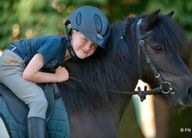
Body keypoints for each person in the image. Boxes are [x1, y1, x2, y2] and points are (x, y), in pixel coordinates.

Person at [0, 5, 110, 138]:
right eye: (85, 39)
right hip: (10, 64)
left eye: (94, 45)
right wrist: (58, 77)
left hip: (18, 63)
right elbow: (28, 74)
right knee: (38, 101)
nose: (87, 47)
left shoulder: (67, 54)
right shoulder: (55, 44)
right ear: (71, 32)